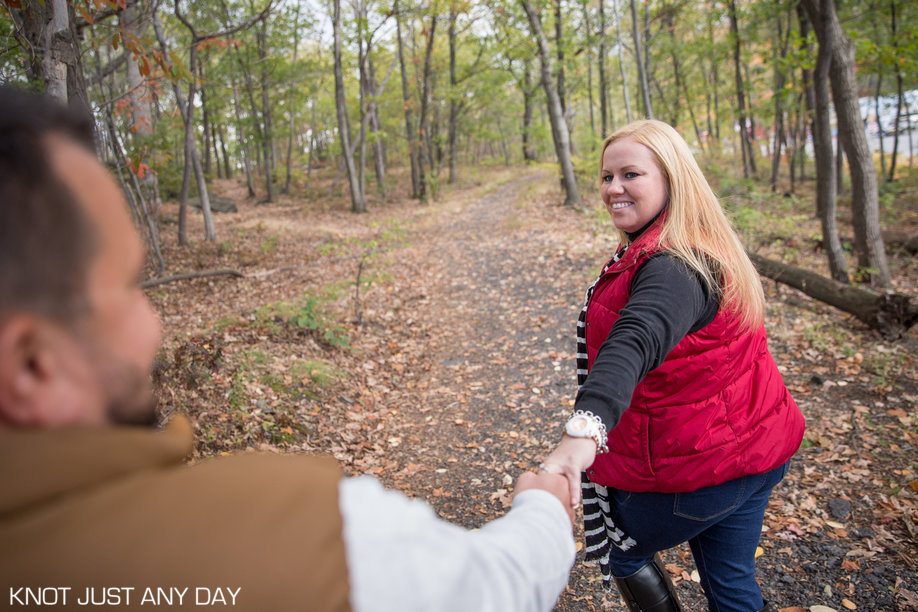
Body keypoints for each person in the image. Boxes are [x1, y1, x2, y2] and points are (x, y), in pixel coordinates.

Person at [0, 86, 576, 612]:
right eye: (128, 289)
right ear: (30, 365)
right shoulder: (303, 535)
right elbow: (498, 586)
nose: (154, 324)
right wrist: (544, 507)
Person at [538, 120, 805, 612]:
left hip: (707, 468)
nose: (613, 188)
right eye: (606, 176)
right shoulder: (689, 240)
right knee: (730, 581)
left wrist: (584, 429)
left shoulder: (677, 265)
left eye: (631, 174)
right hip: (754, 449)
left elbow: (636, 338)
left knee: (619, 549)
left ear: (671, 180)